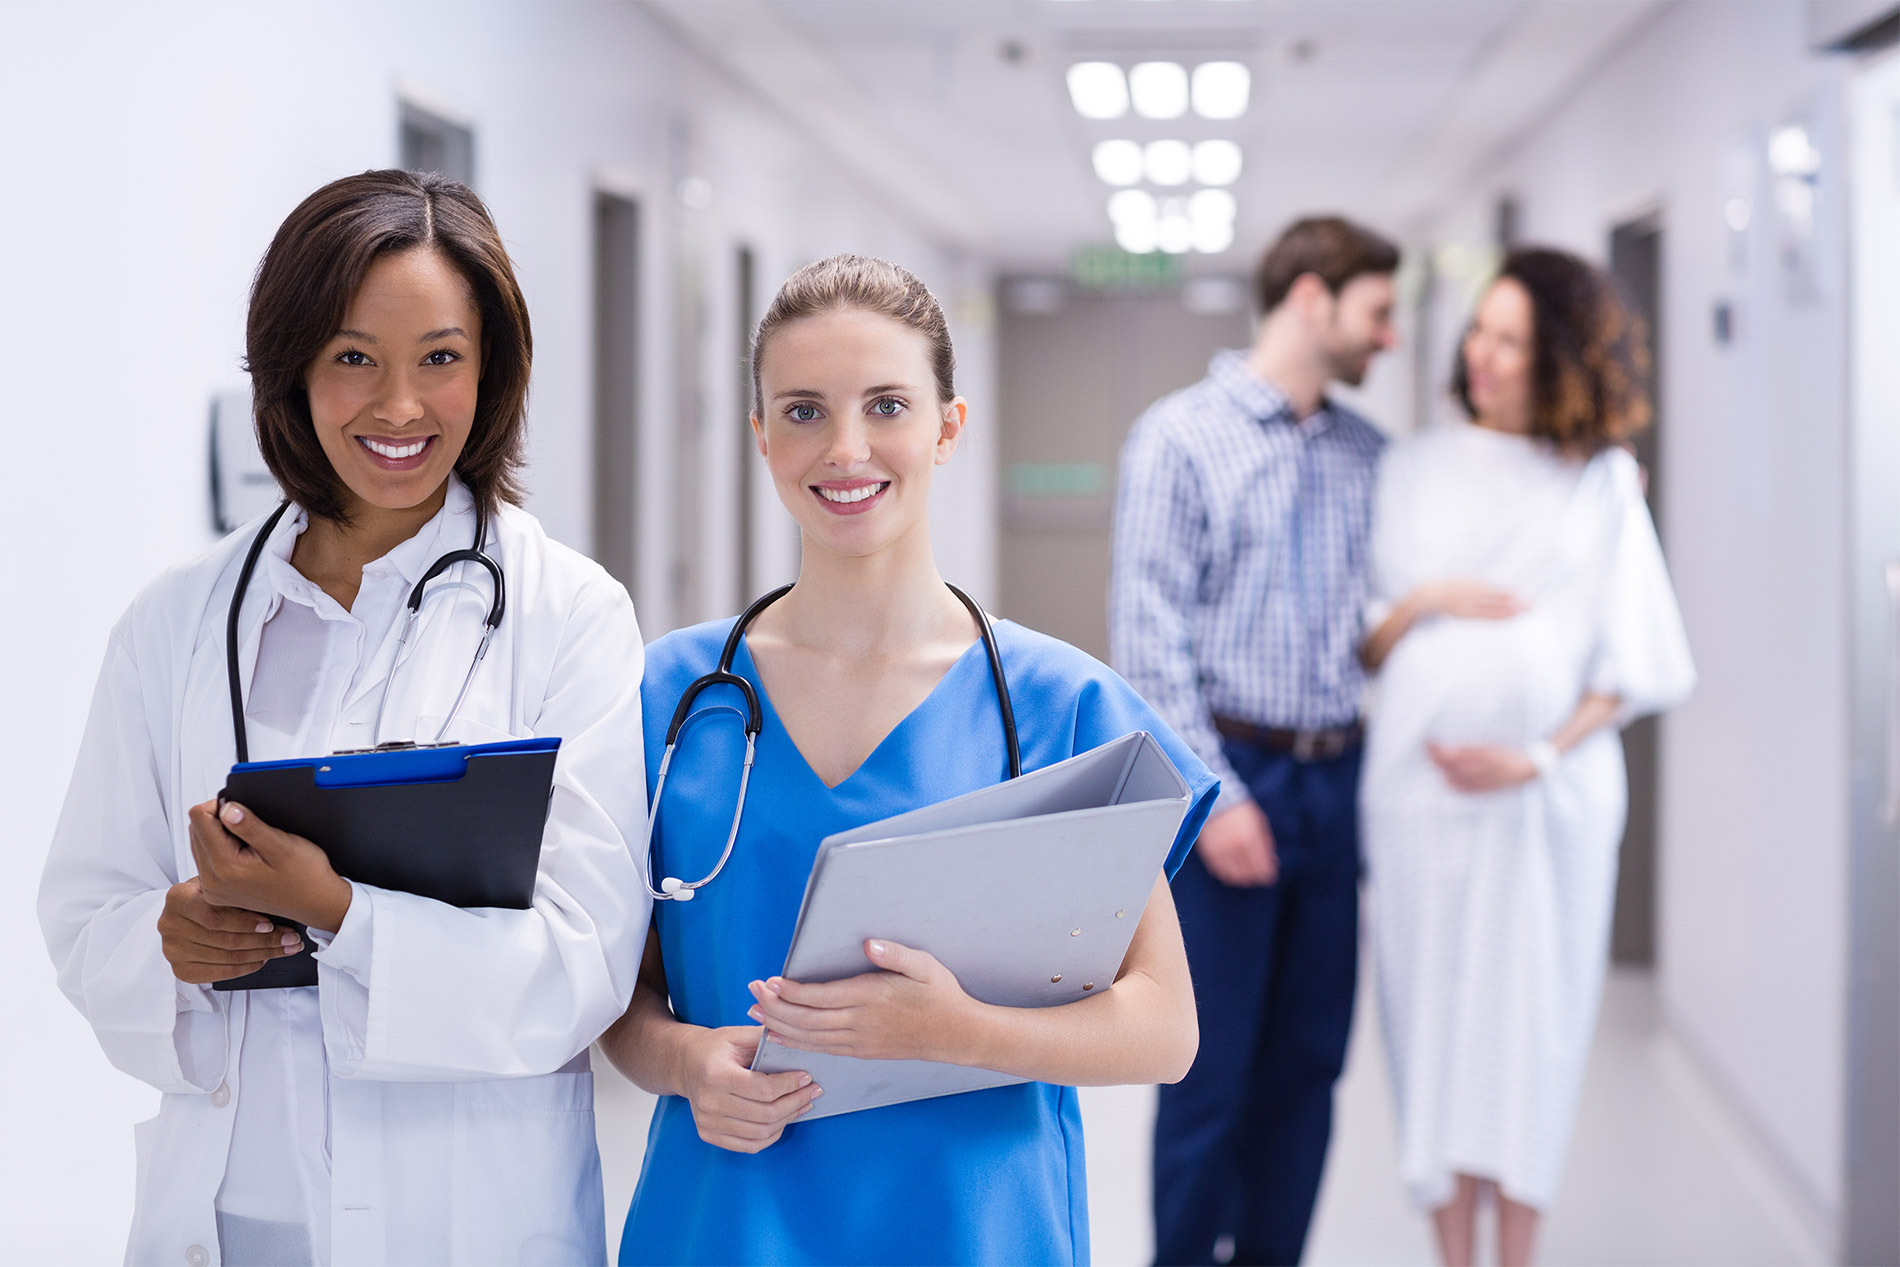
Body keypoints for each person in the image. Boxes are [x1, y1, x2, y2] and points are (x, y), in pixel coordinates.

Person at [38, 170, 648, 1267]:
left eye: (441, 358)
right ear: (293, 367)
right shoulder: (174, 621)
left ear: (492, 368)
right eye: (354, 357)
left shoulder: (570, 614)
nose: (400, 405)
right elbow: (85, 912)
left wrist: (337, 911)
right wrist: (172, 939)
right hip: (228, 1212)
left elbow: (585, 958)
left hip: (464, 1219)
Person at [598, 254, 1219, 1266]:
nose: (845, 449)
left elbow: (1164, 1027)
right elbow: (624, 998)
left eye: (886, 404)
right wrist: (687, 1061)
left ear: (947, 427)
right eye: (802, 411)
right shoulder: (670, 698)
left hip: (974, 1227)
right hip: (728, 1221)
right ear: (760, 436)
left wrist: (964, 1029)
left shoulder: (1062, 705)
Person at [1359, 247, 1694, 1267]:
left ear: (1560, 359)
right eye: (1480, 331)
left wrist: (1536, 757)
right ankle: (1452, 1254)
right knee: (1432, 1031)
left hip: (1546, 806)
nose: (1485, 355)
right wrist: (1428, 599)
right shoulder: (1409, 468)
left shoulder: (1597, 483)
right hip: (1419, 805)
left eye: (1512, 340)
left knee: (1528, 1036)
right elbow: (1366, 645)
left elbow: (1633, 662)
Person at [1111, 215, 1401, 1266]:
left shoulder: (1373, 455)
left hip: (1338, 779)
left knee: (1307, 1070)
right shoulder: (1179, 438)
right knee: (1208, 1072)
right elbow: (1148, 642)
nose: (1392, 336)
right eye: (1379, 311)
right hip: (1229, 771)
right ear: (1312, 298)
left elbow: (1374, 625)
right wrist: (1215, 797)